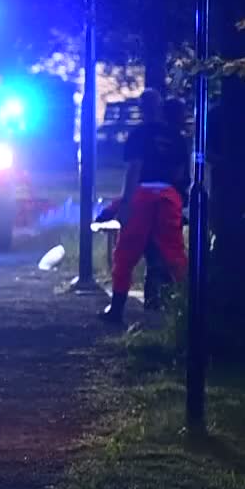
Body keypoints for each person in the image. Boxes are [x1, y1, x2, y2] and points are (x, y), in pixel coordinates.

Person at [99, 88, 190, 326]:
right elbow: (179, 173)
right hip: (168, 196)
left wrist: (126, 203)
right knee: (173, 252)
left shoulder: (138, 135)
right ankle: (187, 303)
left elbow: (134, 169)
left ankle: (117, 309)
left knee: (126, 252)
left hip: (142, 195)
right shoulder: (177, 137)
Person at [141, 96, 191, 313]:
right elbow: (179, 173)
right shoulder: (178, 140)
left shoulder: (150, 137)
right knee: (170, 248)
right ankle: (170, 296)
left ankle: (153, 297)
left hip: (148, 198)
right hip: (170, 200)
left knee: (153, 248)